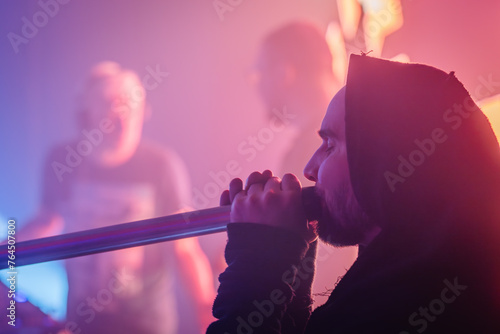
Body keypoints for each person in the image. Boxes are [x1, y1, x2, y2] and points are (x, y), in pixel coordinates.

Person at [207, 54, 500, 333]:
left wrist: (257, 264)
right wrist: (289, 274)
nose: (309, 169)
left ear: (383, 161)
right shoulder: (413, 283)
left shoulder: (415, 306)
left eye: (330, 145)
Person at [20, 62, 215, 334]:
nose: (124, 118)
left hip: (145, 322)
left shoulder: (161, 165)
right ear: (86, 112)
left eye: (131, 107)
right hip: (82, 319)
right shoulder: (62, 160)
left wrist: (206, 310)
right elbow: (46, 224)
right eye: (111, 105)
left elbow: (185, 248)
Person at [254, 22, 357, 307]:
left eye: (259, 73)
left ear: (283, 73)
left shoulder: (306, 155)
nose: (257, 85)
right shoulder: (351, 135)